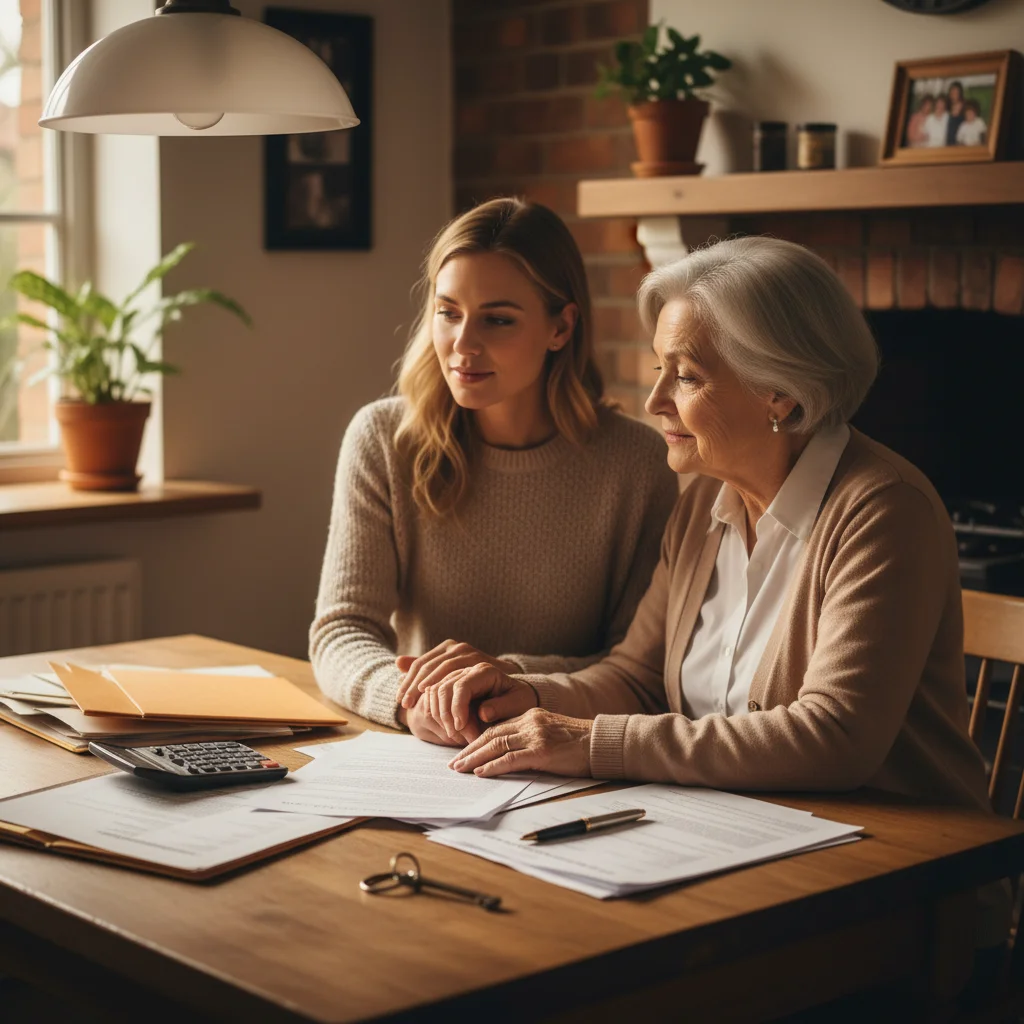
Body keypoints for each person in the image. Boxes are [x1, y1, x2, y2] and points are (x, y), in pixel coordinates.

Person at [309, 197, 678, 740]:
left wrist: (504, 681)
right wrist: (412, 704)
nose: (462, 345)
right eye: (448, 312)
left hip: (560, 746)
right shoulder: (383, 440)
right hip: (419, 747)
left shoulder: (638, 464)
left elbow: (638, 665)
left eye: (497, 319)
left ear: (561, 327)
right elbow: (342, 630)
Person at [946, 80, 966, 146]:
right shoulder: (947, 107)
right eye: (952, 91)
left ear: (960, 93)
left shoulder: (965, 107)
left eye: (955, 92)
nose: (953, 94)